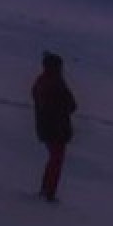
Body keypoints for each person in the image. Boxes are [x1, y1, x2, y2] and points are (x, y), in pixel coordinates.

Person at [32, 51, 78, 203]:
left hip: (46, 127)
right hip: (57, 128)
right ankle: (49, 192)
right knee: (56, 161)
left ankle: (46, 189)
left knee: (53, 159)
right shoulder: (55, 83)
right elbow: (71, 104)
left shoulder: (41, 82)